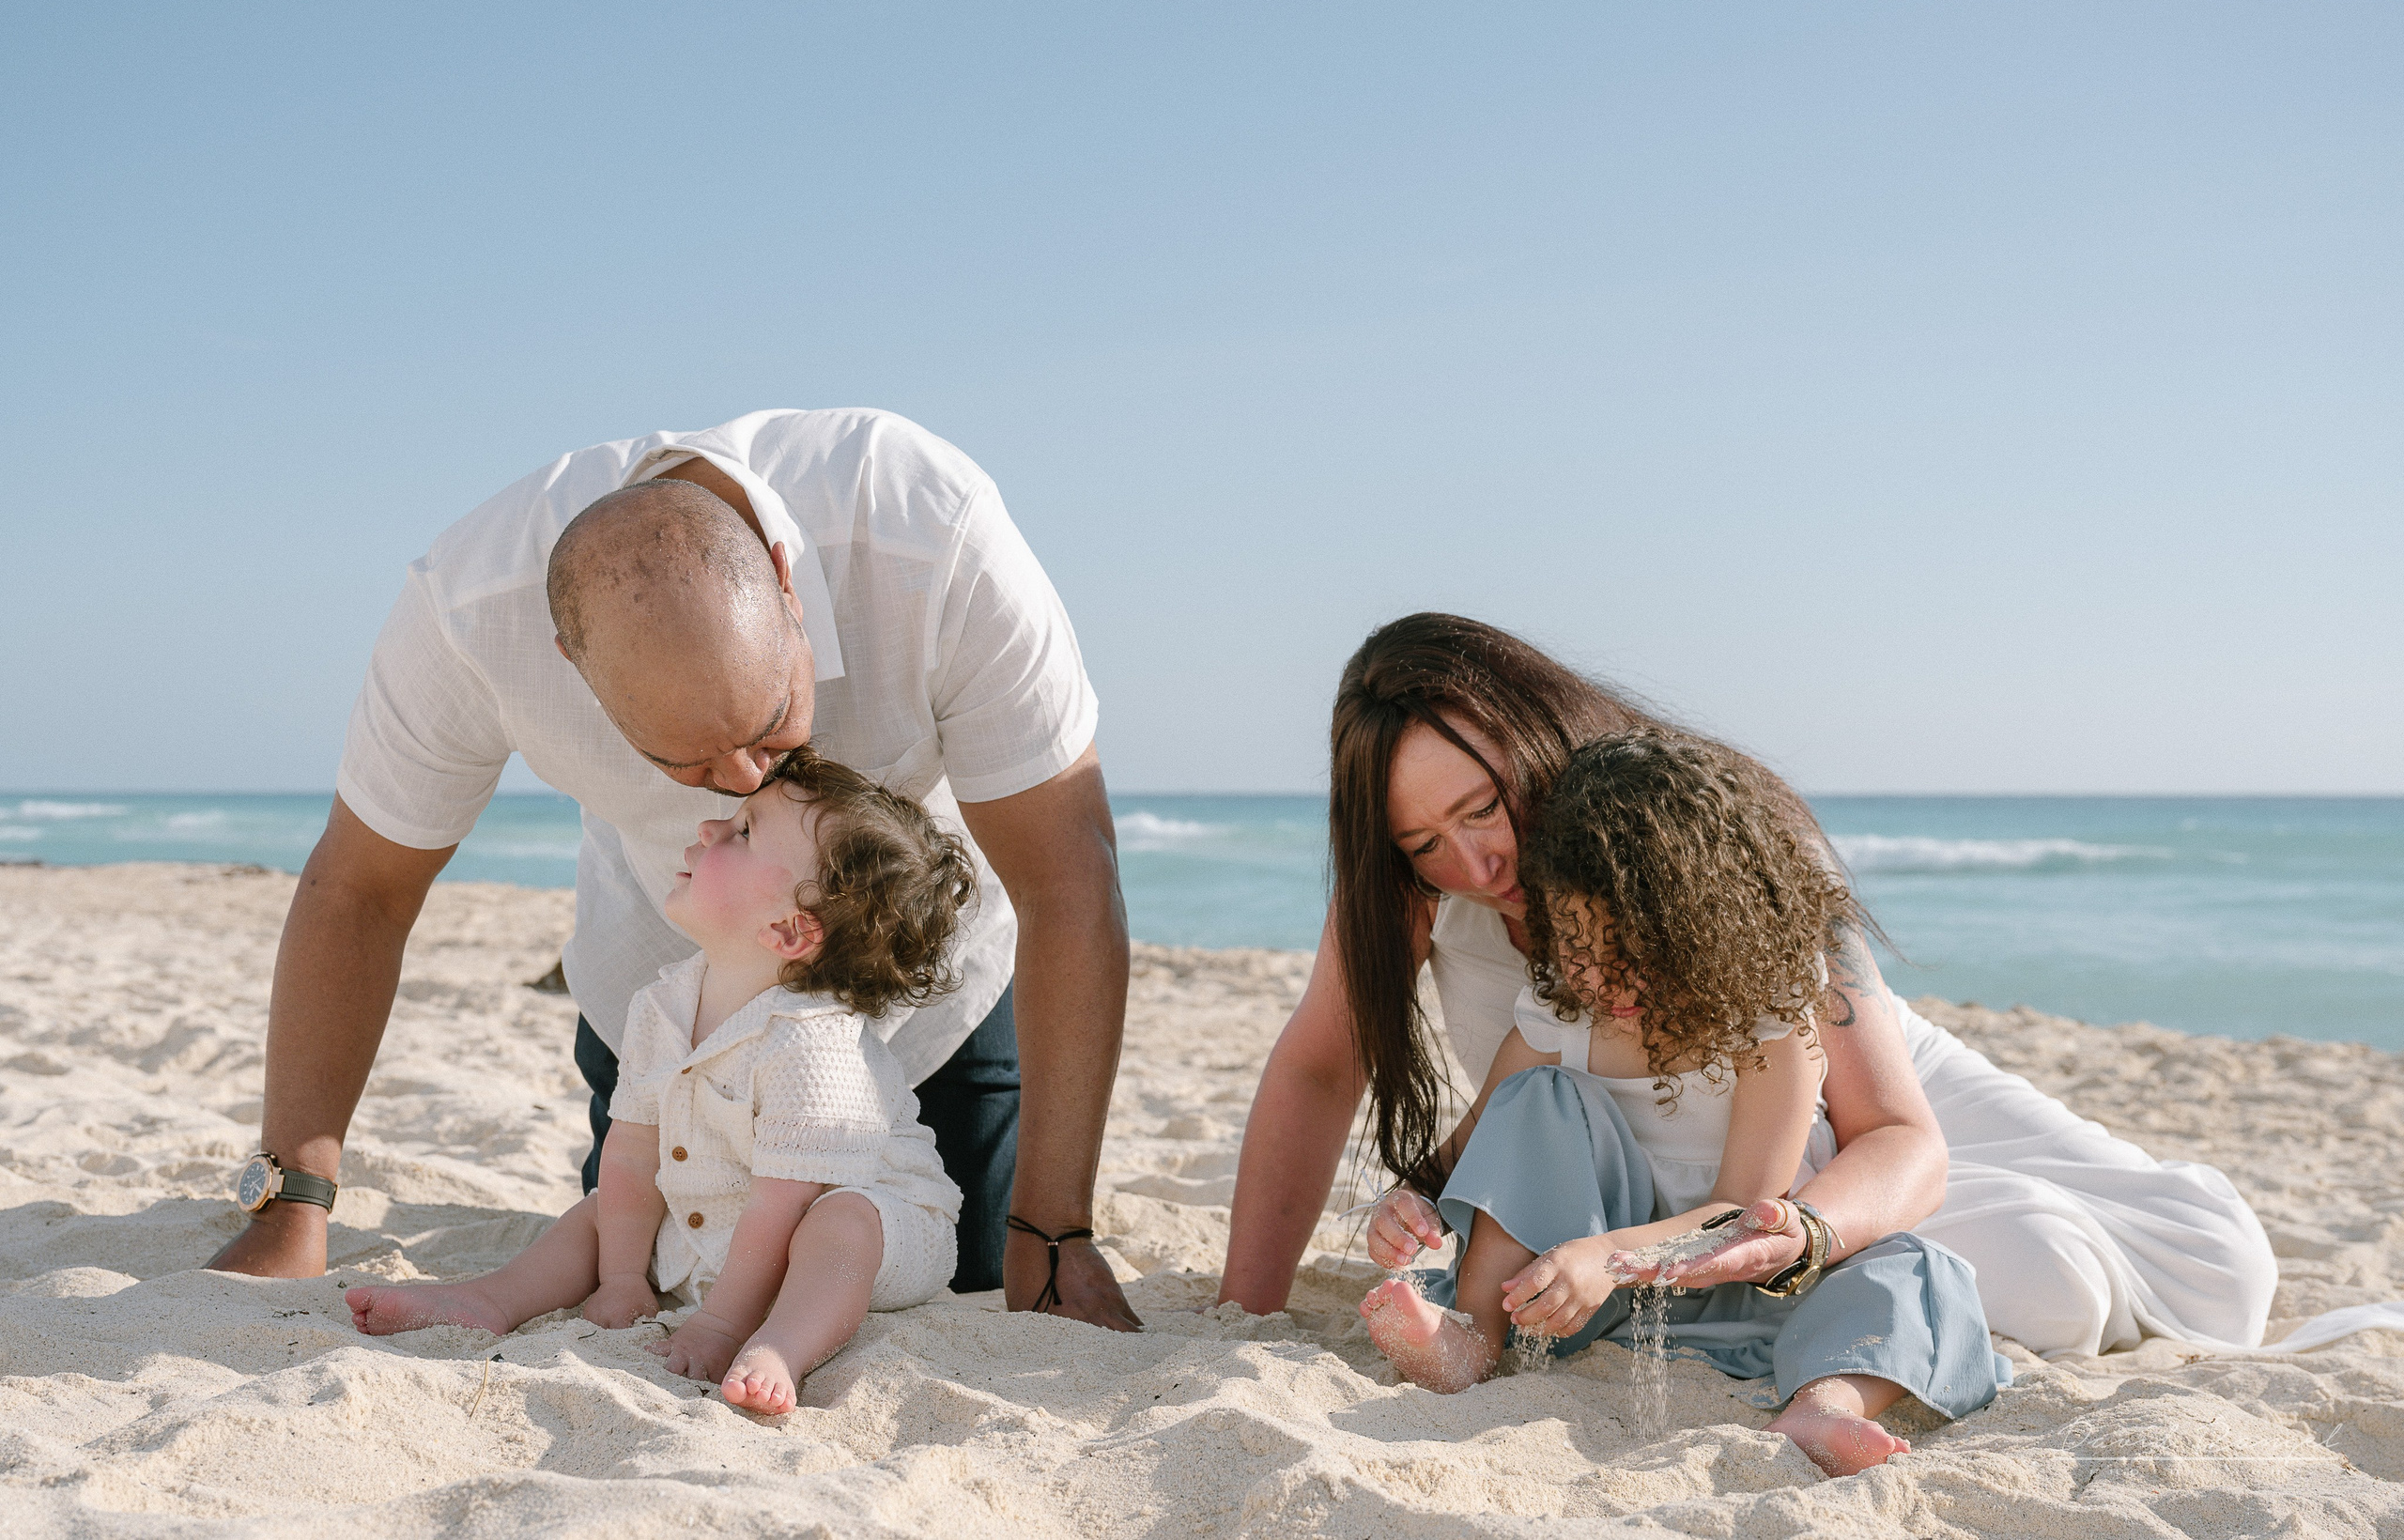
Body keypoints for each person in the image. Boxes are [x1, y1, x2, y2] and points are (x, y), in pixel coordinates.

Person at [211, 408, 1137, 1332]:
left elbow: (1068, 876)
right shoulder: (466, 614)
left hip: (930, 986)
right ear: (571, 666)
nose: (747, 785)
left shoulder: (930, 533)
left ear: (786, 581)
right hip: (671, 996)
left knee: (958, 1268)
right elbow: (358, 891)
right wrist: (291, 1203)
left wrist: (1055, 1232)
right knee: (643, 1264)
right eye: (687, 764)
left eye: (771, 720)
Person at [1221, 613, 2279, 1359]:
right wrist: (1243, 1312)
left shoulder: (1714, 839)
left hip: (1827, 1098)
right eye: (1425, 841)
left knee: (2213, 1263)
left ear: (1534, 743)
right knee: (2052, 1272)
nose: (1478, 863)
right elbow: (1320, 1070)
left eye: (1485, 806)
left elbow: (1893, 1132)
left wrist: (1798, 1231)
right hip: (1633, 1161)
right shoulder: (1415, 893)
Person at [1358, 730, 2005, 1477]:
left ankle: (1824, 1404)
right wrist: (1411, 1199)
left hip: (1753, 1301)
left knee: (1921, 1268)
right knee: (1537, 1096)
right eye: (1579, 949)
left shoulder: (1770, 1025)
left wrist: (1611, 1256)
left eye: (1633, 953)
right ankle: (1473, 1334)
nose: (1605, 982)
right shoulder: (1560, 1014)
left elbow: (1739, 1211)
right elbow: (1475, 1146)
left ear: (1704, 929)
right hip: (1574, 1300)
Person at [347, 751, 974, 1413]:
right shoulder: (664, 1005)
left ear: (789, 929)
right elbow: (630, 1150)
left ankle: (783, 1344)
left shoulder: (813, 1044)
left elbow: (781, 1207)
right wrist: (620, 1276)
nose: (710, 830)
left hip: (881, 1225)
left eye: (745, 832)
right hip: (732, 1212)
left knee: (838, 1225)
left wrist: (722, 1325)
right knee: (601, 1212)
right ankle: (491, 1297)